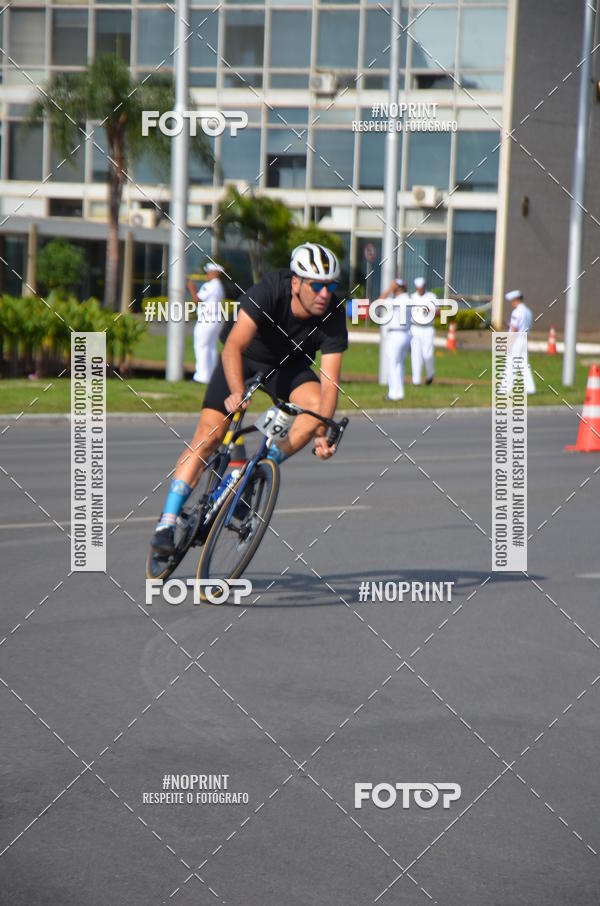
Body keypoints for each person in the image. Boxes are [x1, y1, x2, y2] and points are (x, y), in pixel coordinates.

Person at [150, 243, 348, 559]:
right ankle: (167, 522)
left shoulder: (334, 313)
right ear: (296, 283)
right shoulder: (272, 288)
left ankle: (259, 468)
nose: (325, 293)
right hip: (243, 357)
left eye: (331, 285)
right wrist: (236, 390)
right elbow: (232, 346)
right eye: (317, 285)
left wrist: (321, 433)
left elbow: (330, 383)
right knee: (210, 436)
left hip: (288, 367)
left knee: (315, 411)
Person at [188, 263, 226, 383]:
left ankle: (201, 377)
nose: (207, 274)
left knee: (201, 346)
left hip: (207, 320)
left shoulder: (210, 285)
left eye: (209, 272)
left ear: (215, 273)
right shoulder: (219, 286)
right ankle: (210, 376)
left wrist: (191, 288)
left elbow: (197, 300)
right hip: (215, 319)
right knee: (211, 348)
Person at [383, 278, 412, 401]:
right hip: (406, 334)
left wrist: (389, 289)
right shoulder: (410, 299)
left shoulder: (396, 301)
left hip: (395, 335)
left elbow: (379, 301)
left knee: (392, 364)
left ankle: (393, 394)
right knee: (400, 365)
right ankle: (399, 393)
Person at [503, 289, 536, 394]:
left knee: (510, 363)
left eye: (512, 301)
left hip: (517, 339)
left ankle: (504, 388)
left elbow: (514, 329)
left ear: (515, 300)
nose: (512, 303)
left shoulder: (516, 312)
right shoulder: (528, 311)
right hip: (524, 338)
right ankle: (530, 389)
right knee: (524, 365)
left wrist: (508, 344)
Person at [410, 277, 438, 386]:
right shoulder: (412, 297)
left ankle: (430, 374)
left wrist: (430, 311)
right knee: (415, 355)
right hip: (415, 328)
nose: (420, 290)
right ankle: (416, 380)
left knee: (428, 354)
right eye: (418, 288)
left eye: (422, 287)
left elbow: (438, 312)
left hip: (428, 328)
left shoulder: (431, 297)